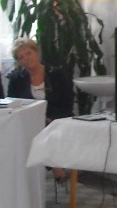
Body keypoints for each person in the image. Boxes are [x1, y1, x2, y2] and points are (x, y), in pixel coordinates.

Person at [6, 37, 75, 181]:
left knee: (43, 127)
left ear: (37, 52)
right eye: (21, 57)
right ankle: (55, 167)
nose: (26, 58)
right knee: (37, 126)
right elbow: (12, 105)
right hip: (28, 120)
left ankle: (54, 167)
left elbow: (67, 102)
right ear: (19, 62)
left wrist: (53, 118)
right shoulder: (16, 79)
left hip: (56, 118)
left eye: (28, 53)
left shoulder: (57, 74)